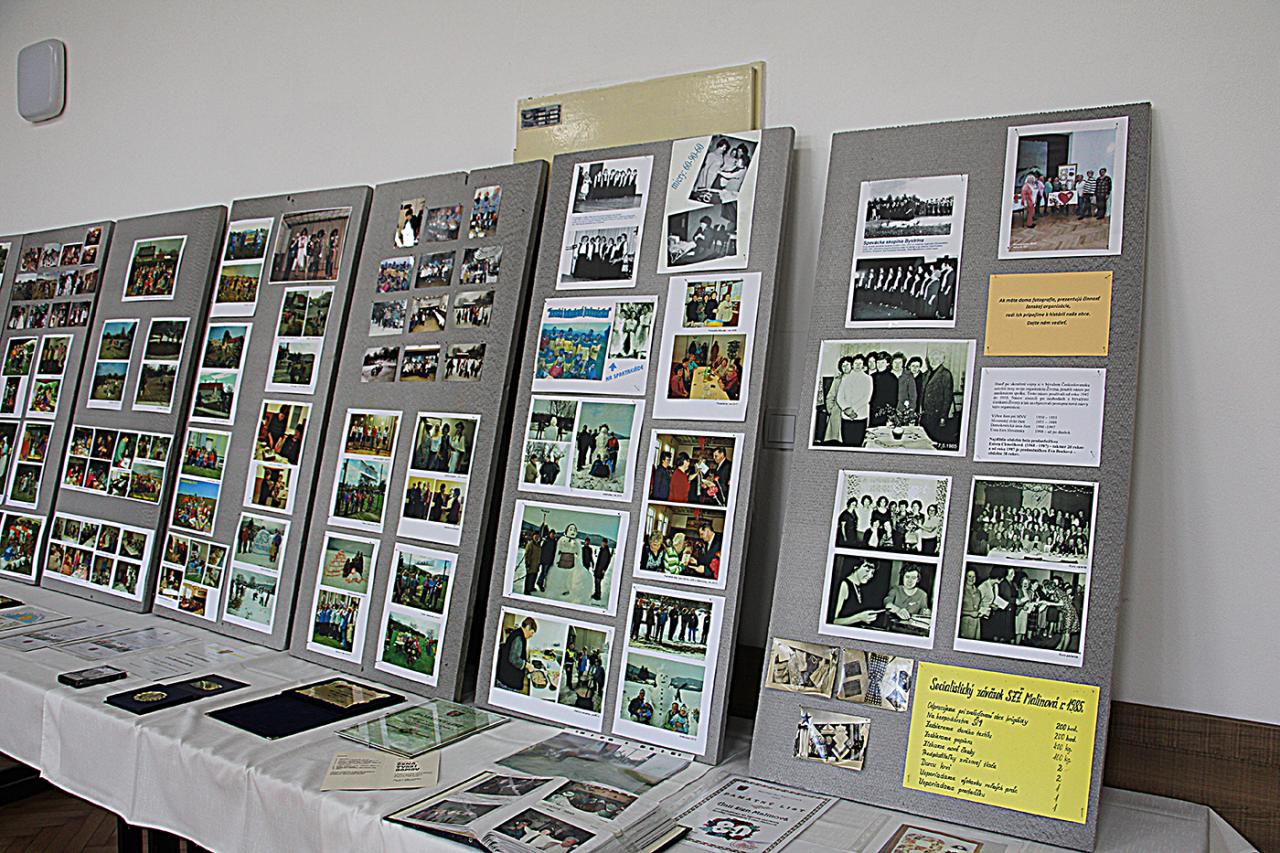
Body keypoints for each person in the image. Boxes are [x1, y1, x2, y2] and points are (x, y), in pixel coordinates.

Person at [835, 354, 872, 447]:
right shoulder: (845, 378)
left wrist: (853, 410)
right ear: (852, 364)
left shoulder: (868, 378)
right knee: (846, 443)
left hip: (860, 415)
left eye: (860, 363)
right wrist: (846, 409)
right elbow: (839, 397)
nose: (858, 366)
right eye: (856, 363)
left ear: (863, 365)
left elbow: (866, 397)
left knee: (858, 443)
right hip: (846, 416)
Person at [829, 560, 879, 627]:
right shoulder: (844, 585)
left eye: (872, 572)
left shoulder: (858, 587)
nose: (870, 575)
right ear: (855, 567)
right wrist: (859, 618)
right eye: (867, 570)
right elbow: (834, 621)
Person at [920, 350, 954, 446]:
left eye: (937, 359)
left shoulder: (946, 374)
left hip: (937, 414)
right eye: (932, 359)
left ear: (942, 361)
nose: (934, 361)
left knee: (934, 439)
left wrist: (943, 416)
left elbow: (948, 398)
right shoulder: (926, 374)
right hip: (925, 413)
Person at [496, 616, 537, 691]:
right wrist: (527, 665)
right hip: (508, 680)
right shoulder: (519, 638)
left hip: (505, 676)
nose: (531, 635)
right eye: (532, 633)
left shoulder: (517, 633)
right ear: (527, 627)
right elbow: (514, 659)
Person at [959, 569, 982, 640]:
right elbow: (956, 611)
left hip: (976, 624)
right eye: (969, 576)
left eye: (974, 577)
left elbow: (979, 606)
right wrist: (970, 613)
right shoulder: (961, 590)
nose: (971, 579)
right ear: (965, 577)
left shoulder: (978, 592)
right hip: (965, 624)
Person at [592, 537, 612, 601]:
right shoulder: (603, 550)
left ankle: (598, 595)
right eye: (602, 542)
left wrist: (603, 569)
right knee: (596, 582)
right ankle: (596, 593)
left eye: (603, 543)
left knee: (598, 582)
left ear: (606, 543)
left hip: (600, 570)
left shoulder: (606, 551)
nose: (602, 543)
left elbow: (606, 562)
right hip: (598, 569)